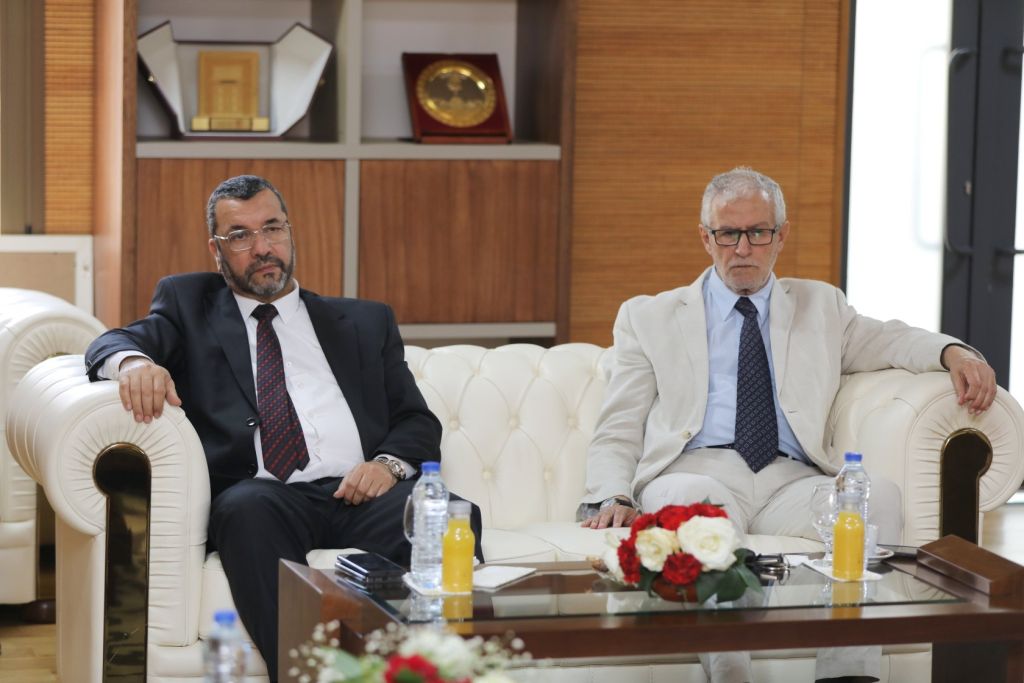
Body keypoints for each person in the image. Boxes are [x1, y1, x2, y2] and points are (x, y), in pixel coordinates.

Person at [579, 167, 996, 683]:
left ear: (781, 235)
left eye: (758, 232)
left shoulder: (822, 306)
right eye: (728, 234)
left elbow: (891, 339)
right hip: (694, 469)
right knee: (698, 506)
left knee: (875, 498)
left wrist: (954, 352)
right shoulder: (649, 317)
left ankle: (848, 676)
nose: (742, 249)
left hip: (791, 479)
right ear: (705, 237)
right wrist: (612, 494)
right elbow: (620, 421)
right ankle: (731, 676)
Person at [84, 175, 483, 681]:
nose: (262, 247)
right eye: (240, 235)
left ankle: (431, 671)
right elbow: (110, 342)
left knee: (451, 517)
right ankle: (305, 677)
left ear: (290, 233)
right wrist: (136, 364)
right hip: (265, 498)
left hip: (359, 494)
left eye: (272, 228)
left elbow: (415, 419)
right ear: (216, 249)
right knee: (247, 509)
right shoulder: (189, 305)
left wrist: (386, 466)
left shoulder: (364, 322)